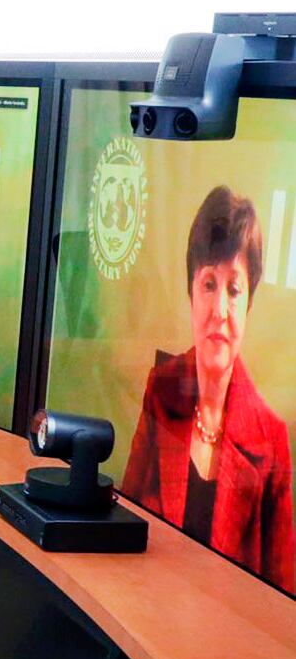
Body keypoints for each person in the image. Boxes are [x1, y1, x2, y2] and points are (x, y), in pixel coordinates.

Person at [124, 185, 294, 592]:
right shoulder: (162, 389)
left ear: (250, 302)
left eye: (234, 289)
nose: (219, 311)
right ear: (190, 294)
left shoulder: (272, 440)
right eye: (208, 285)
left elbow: (284, 599)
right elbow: (124, 525)